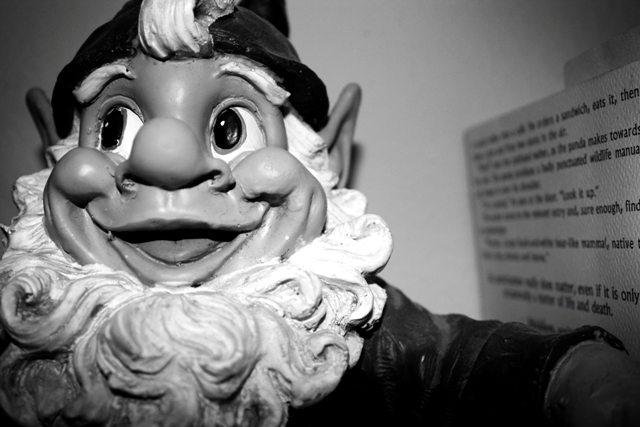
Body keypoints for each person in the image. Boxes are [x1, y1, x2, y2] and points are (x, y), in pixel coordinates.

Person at [1, 1, 639, 426]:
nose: (166, 164)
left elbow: (463, 362)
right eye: (115, 126)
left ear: (326, 156)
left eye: (230, 127)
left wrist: (574, 376)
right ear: (51, 156)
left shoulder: (352, 334)